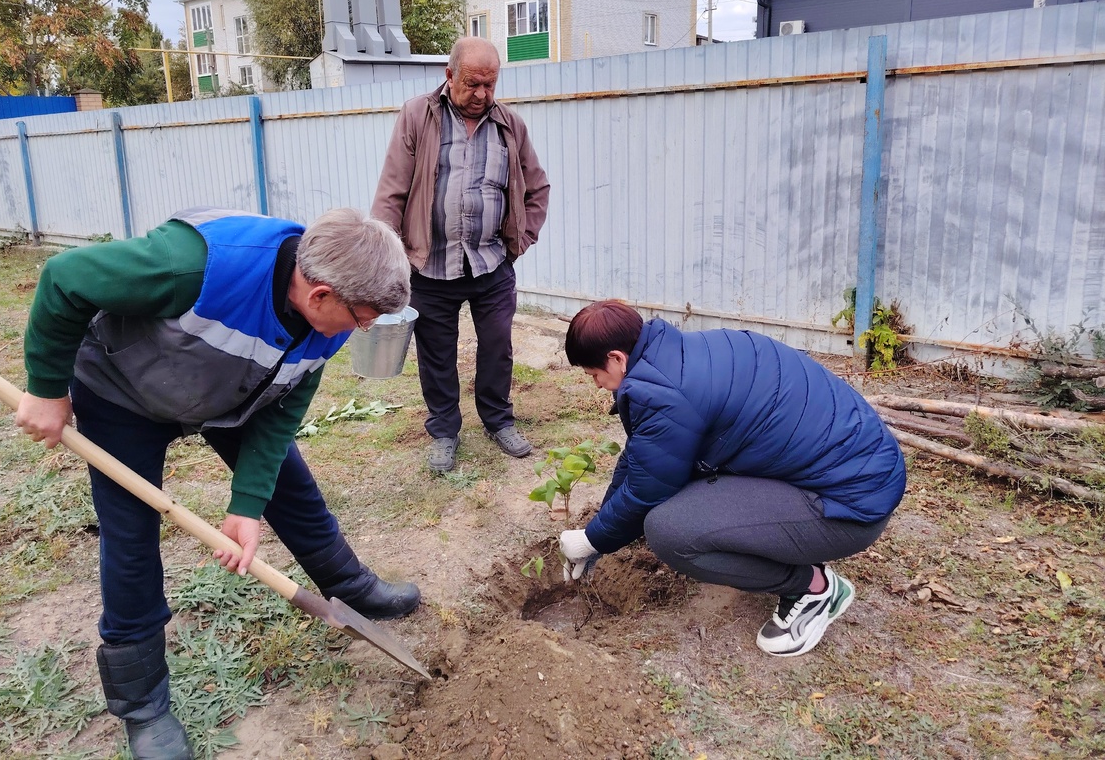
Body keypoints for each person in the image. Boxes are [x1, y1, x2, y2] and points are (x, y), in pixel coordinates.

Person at [15, 207, 421, 760]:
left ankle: (351, 588)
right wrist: (46, 388)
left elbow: (281, 413)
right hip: (124, 392)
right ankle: (143, 705)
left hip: (232, 396)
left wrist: (247, 506)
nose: (361, 330)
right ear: (321, 293)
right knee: (131, 538)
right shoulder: (194, 265)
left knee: (293, 491)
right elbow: (65, 277)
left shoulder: (328, 322)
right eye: (363, 320)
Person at [558, 300, 906, 658]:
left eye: (594, 374)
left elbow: (648, 490)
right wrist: (596, 531)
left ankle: (814, 589)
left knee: (668, 531)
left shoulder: (664, 394)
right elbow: (642, 458)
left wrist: (592, 539)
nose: (597, 385)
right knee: (680, 491)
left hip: (850, 507)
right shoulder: (678, 354)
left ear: (617, 358)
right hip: (858, 468)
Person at [372, 36, 551, 473]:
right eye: (473, 84)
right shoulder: (417, 116)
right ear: (449, 75)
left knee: (497, 346)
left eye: (490, 85)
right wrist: (388, 255)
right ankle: (444, 431)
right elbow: (392, 191)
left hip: (491, 263)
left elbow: (537, 188)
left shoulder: (510, 125)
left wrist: (520, 240)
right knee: (436, 353)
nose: (482, 94)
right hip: (430, 266)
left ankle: (498, 420)